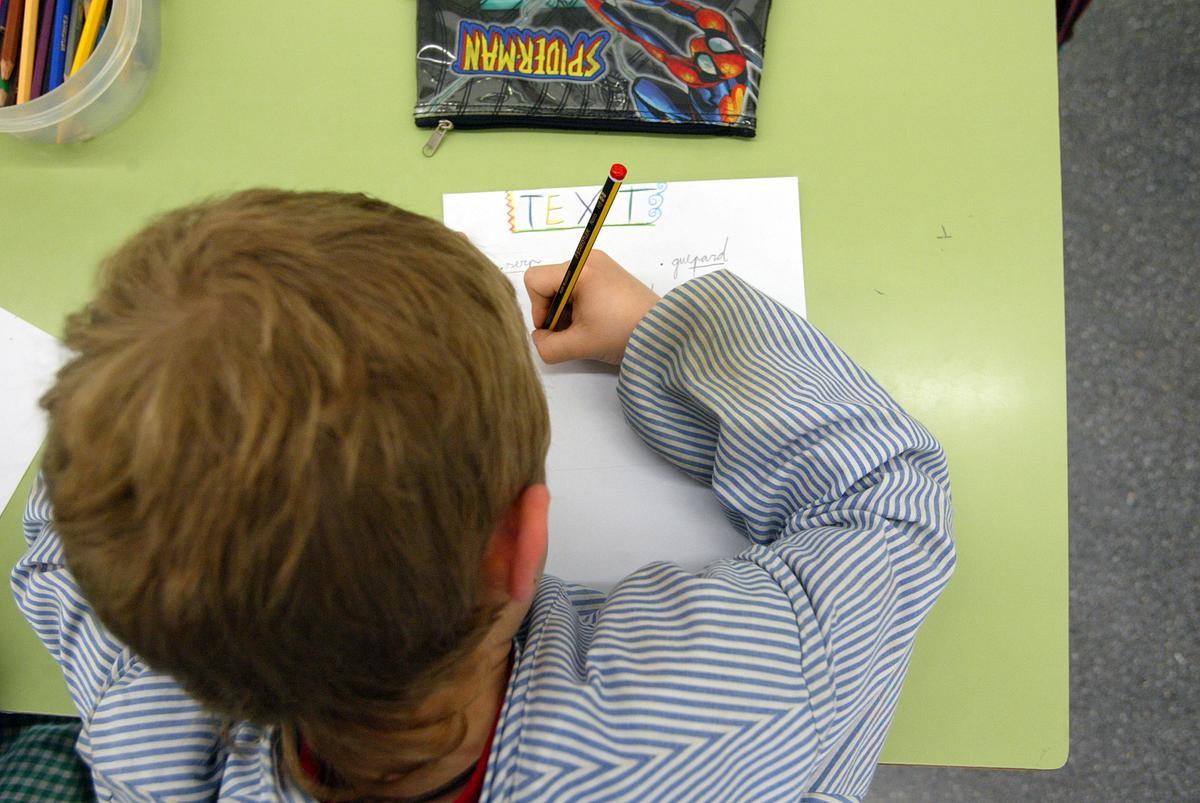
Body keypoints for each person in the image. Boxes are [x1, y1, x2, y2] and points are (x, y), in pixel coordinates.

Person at [13, 189, 955, 802]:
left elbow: (56, 550)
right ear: (517, 542)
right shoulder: (753, 694)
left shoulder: (143, 729)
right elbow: (887, 499)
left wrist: (162, 393)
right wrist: (671, 335)